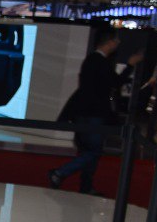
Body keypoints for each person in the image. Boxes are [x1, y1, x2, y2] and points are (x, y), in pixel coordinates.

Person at [49, 26, 143, 196]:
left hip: (83, 113)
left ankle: (85, 186)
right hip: (94, 115)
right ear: (109, 42)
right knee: (93, 151)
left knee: (87, 150)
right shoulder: (100, 62)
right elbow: (115, 83)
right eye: (116, 40)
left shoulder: (91, 60)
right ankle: (60, 172)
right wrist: (130, 65)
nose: (118, 43)